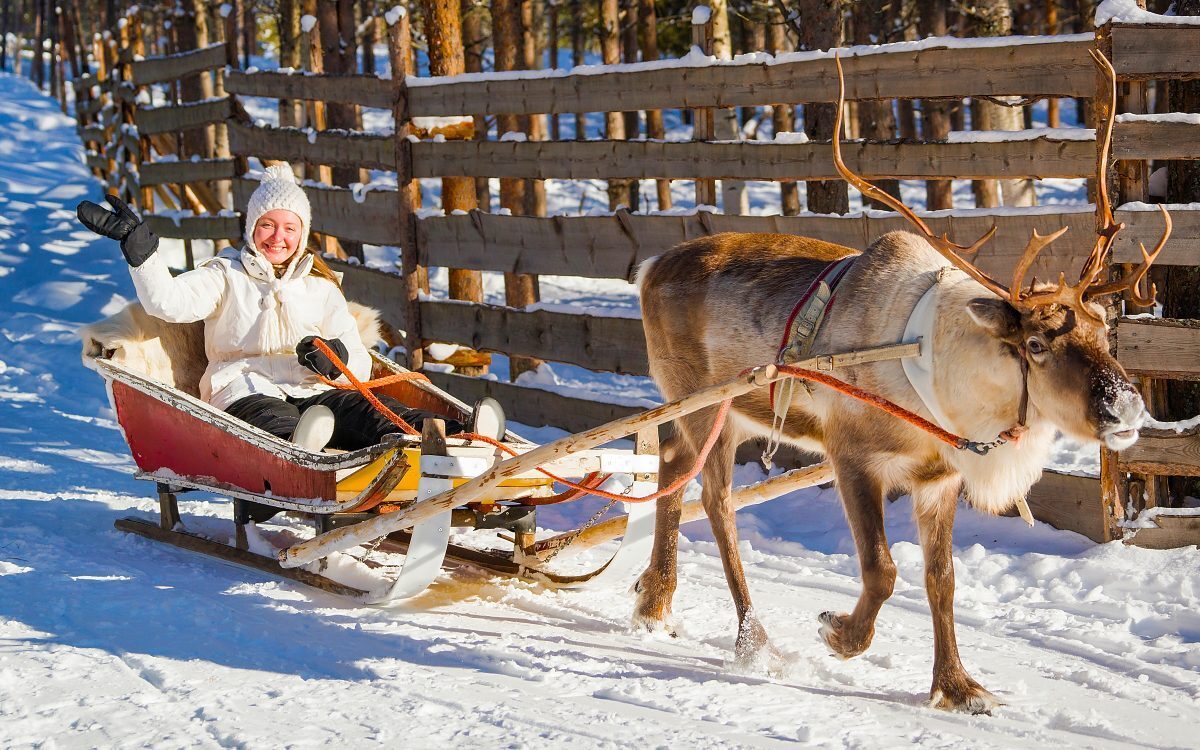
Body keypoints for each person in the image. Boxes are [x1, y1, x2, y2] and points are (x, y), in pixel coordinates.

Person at [77, 163, 503, 459]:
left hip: (313, 387)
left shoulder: (320, 285)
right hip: (242, 389)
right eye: (267, 225)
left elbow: (356, 359)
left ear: (303, 232)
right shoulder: (225, 274)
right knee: (273, 420)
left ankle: (460, 436)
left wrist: (333, 355)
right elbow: (165, 303)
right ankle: (303, 455)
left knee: (368, 410)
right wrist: (144, 256)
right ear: (252, 228)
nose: (277, 237)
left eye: (289, 227)